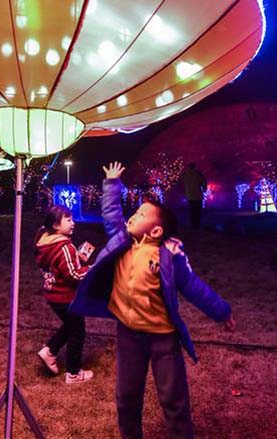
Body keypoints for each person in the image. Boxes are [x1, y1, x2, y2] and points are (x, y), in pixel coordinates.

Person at [71, 162, 236, 438]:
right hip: (128, 335)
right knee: (127, 396)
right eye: (135, 212)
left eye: (141, 214)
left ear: (156, 231)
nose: (133, 216)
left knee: (174, 399)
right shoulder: (122, 242)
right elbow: (111, 215)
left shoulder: (170, 257)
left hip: (163, 339)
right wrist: (112, 183)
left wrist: (222, 311)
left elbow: (195, 287)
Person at [34, 205, 94, 384]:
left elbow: (60, 265)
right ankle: (74, 374)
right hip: (66, 296)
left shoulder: (44, 242)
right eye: (68, 219)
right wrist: (92, 269)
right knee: (78, 331)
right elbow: (73, 275)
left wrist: (78, 258)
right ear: (55, 225)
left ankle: (50, 351)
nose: (73, 223)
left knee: (70, 326)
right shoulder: (64, 247)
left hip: (53, 294)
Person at [182, 163, 207, 230]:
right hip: (198, 196)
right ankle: (197, 225)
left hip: (189, 196)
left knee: (192, 211)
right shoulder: (198, 174)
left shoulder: (185, 175)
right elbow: (204, 182)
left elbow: (182, 183)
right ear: (194, 167)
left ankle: (193, 225)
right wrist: (204, 189)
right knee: (197, 211)